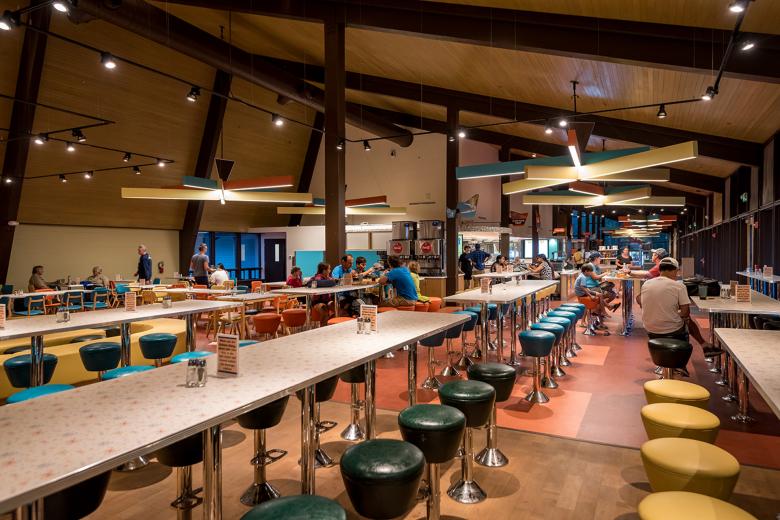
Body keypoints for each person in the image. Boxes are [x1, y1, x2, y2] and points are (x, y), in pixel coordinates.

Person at [637, 257, 720, 358]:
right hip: (671, 330)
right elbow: (685, 313)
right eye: (677, 271)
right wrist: (673, 314)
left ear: (660, 270)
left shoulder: (646, 283)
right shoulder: (679, 286)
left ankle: (703, 345)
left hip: (649, 328)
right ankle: (703, 345)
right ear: (674, 270)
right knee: (687, 320)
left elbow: (638, 299)